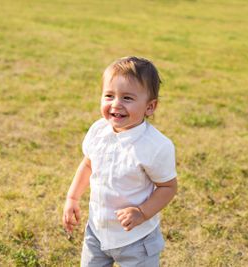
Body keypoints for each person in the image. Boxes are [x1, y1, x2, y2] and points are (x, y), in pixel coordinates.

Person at [62, 56, 178, 267]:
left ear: (150, 107)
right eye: (109, 96)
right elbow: (88, 164)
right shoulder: (98, 130)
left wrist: (142, 212)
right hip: (97, 232)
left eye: (127, 98)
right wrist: (72, 197)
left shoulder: (156, 146)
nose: (116, 104)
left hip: (136, 239)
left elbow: (168, 186)